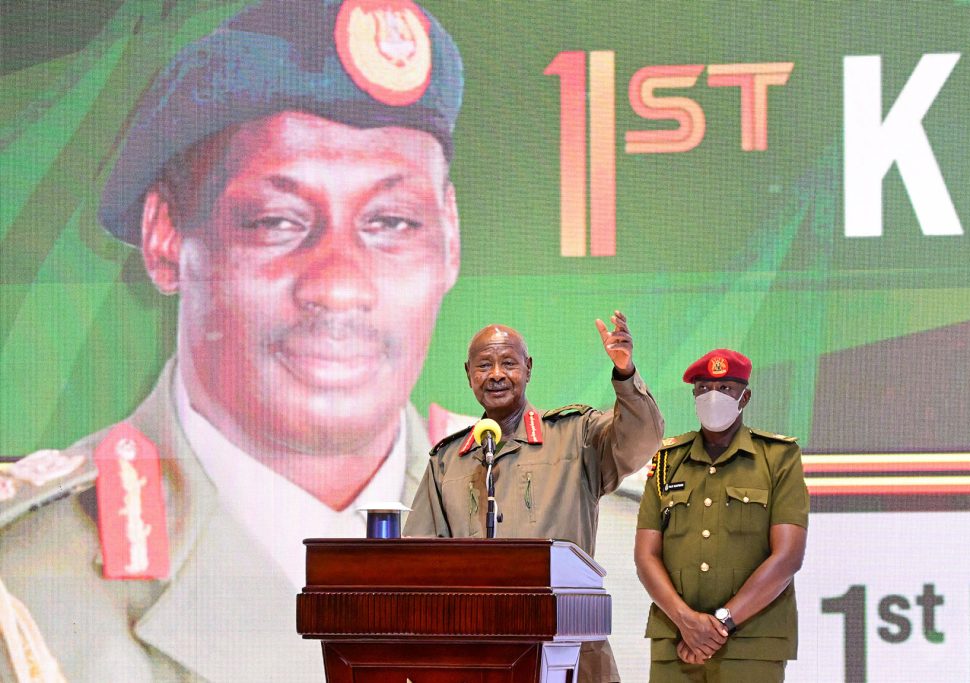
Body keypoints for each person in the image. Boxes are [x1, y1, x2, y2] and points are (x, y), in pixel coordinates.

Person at [0, 1, 463, 680]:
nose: (339, 285)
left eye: (392, 222)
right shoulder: (22, 585)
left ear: (449, 240)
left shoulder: (611, 550)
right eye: (277, 221)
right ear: (165, 238)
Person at [404, 311, 666, 683]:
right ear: (468, 374)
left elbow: (642, 439)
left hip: (569, 651)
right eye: (484, 365)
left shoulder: (576, 435)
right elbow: (420, 563)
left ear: (528, 368)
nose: (496, 374)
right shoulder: (447, 461)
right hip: (480, 658)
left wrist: (625, 374)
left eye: (508, 363)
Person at [634, 349, 809, 683]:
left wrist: (720, 625)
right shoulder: (667, 462)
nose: (713, 397)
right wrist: (687, 622)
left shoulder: (778, 458)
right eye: (704, 389)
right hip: (676, 641)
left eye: (726, 388)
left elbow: (787, 557)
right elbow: (646, 556)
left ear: (745, 396)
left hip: (751, 644)